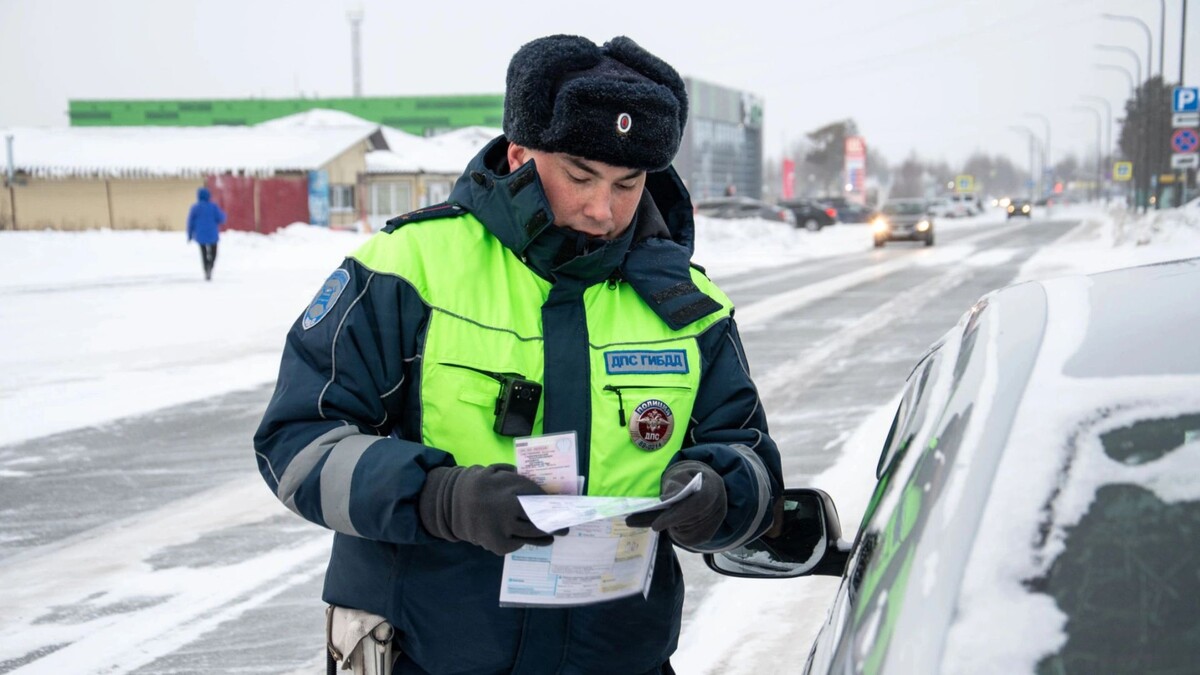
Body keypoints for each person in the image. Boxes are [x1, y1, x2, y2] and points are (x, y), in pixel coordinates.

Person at [254, 34, 782, 675]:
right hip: (423, 655)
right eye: (580, 176)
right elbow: (298, 445)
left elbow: (752, 461)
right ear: (519, 155)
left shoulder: (689, 306)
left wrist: (720, 495)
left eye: (628, 184)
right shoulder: (409, 267)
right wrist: (440, 498)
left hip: (618, 660)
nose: (602, 209)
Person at [186, 186, 225, 281]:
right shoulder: (213, 207)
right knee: (214, 252)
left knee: (203, 253)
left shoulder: (195, 208)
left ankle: (206, 268)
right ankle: (210, 266)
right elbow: (221, 218)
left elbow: (190, 222)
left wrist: (190, 235)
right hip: (212, 234)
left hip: (200, 235)